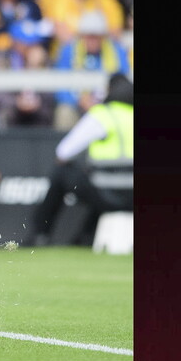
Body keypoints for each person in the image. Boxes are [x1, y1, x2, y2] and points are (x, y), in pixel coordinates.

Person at [24, 72, 133, 246]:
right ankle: (84, 238)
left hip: (107, 194)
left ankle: (40, 234)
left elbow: (64, 152)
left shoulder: (103, 114)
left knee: (62, 173)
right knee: (98, 183)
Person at [52, 11, 131, 130]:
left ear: (103, 37)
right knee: (64, 112)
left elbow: (122, 84)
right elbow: (60, 86)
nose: (92, 40)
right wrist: (79, 99)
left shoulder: (116, 51)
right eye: (89, 36)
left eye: (96, 36)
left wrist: (104, 100)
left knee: (122, 113)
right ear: (82, 36)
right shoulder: (69, 51)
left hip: (107, 104)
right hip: (77, 105)